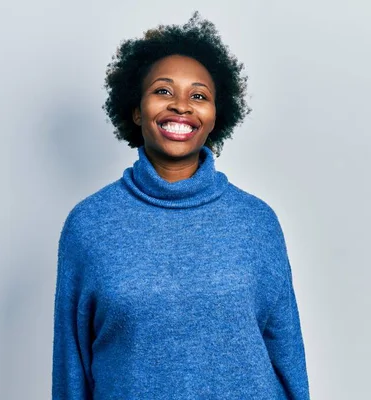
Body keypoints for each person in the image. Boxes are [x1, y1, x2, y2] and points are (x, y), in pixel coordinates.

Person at [52, 12, 310, 399]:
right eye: (163, 91)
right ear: (137, 110)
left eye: (199, 96)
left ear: (214, 117)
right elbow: (71, 364)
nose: (182, 106)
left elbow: (286, 350)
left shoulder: (256, 221)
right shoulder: (89, 224)